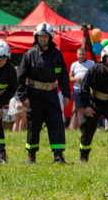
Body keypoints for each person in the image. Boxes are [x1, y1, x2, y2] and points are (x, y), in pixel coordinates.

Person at [17, 22, 70, 164]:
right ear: (36, 37)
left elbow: (64, 75)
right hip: (34, 95)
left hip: (52, 94)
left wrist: (66, 94)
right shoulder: (30, 54)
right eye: (40, 37)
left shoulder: (57, 54)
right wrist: (23, 96)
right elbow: (21, 77)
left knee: (56, 123)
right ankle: (31, 156)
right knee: (34, 126)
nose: (42, 39)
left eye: (45, 37)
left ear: (50, 37)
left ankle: (58, 155)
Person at [69, 47, 94, 130]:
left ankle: (92, 125)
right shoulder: (74, 64)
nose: (81, 56)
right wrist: (76, 79)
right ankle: (82, 126)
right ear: (77, 55)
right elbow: (70, 78)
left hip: (88, 89)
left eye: (83, 54)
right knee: (79, 108)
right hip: (77, 89)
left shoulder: (91, 63)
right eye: (79, 54)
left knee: (91, 107)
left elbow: (95, 76)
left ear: (86, 54)